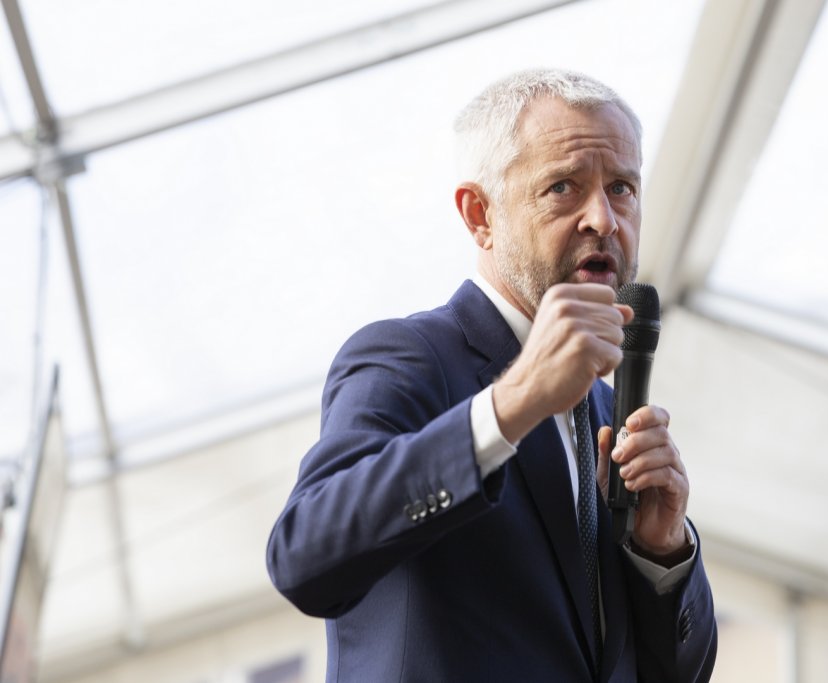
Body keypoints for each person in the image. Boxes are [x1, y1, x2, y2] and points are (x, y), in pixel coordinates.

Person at [266, 68, 717, 682]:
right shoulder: (410, 358)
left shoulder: (607, 412)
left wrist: (661, 552)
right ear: (480, 215)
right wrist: (511, 406)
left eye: (622, 188)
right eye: (563, 187)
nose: (604, 220)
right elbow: (303, 558)